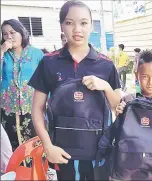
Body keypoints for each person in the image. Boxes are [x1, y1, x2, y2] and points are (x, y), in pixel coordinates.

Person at [28, 1, 121, 180]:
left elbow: (117, 107)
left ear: (92, 26)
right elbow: (37, 109)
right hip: (61, 152)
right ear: (61, 25)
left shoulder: (106, 64)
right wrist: (48, 147)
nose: (77, 29)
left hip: (98, 153)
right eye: (70, 23)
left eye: (83, 23)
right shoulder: (49, 62)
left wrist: (106, 86)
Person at [0, 19, 44, 150]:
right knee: (10, 147)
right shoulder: (4, 54)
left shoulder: (36, 54)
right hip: (8, 109)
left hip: (32, 107)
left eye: (12, 32)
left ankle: (34, 170)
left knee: (34, 144)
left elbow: (46, 78)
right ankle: (16, 170)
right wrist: (2, 51)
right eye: (4, 34)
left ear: (21, 33)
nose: (8, 37)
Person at [116, 49, 152, 116]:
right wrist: (119, 115)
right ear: (136, 75)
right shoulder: (127, 101)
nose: (150, 82)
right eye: (145, 77)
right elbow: (120, 125)